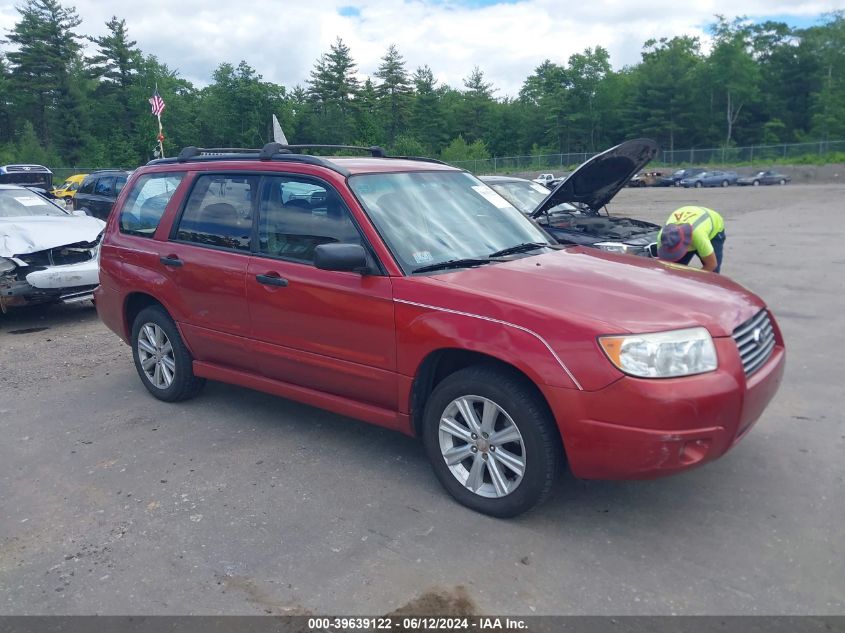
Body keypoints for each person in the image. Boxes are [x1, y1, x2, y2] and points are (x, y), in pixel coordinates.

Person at [656, 206, 726, 273]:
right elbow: (665, 264)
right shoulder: (662, 236)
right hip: (687, 212)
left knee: (712, 275)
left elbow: (711, 265)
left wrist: (692, 281)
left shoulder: (698, 235)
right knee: (675, 269)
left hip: (713, 226)